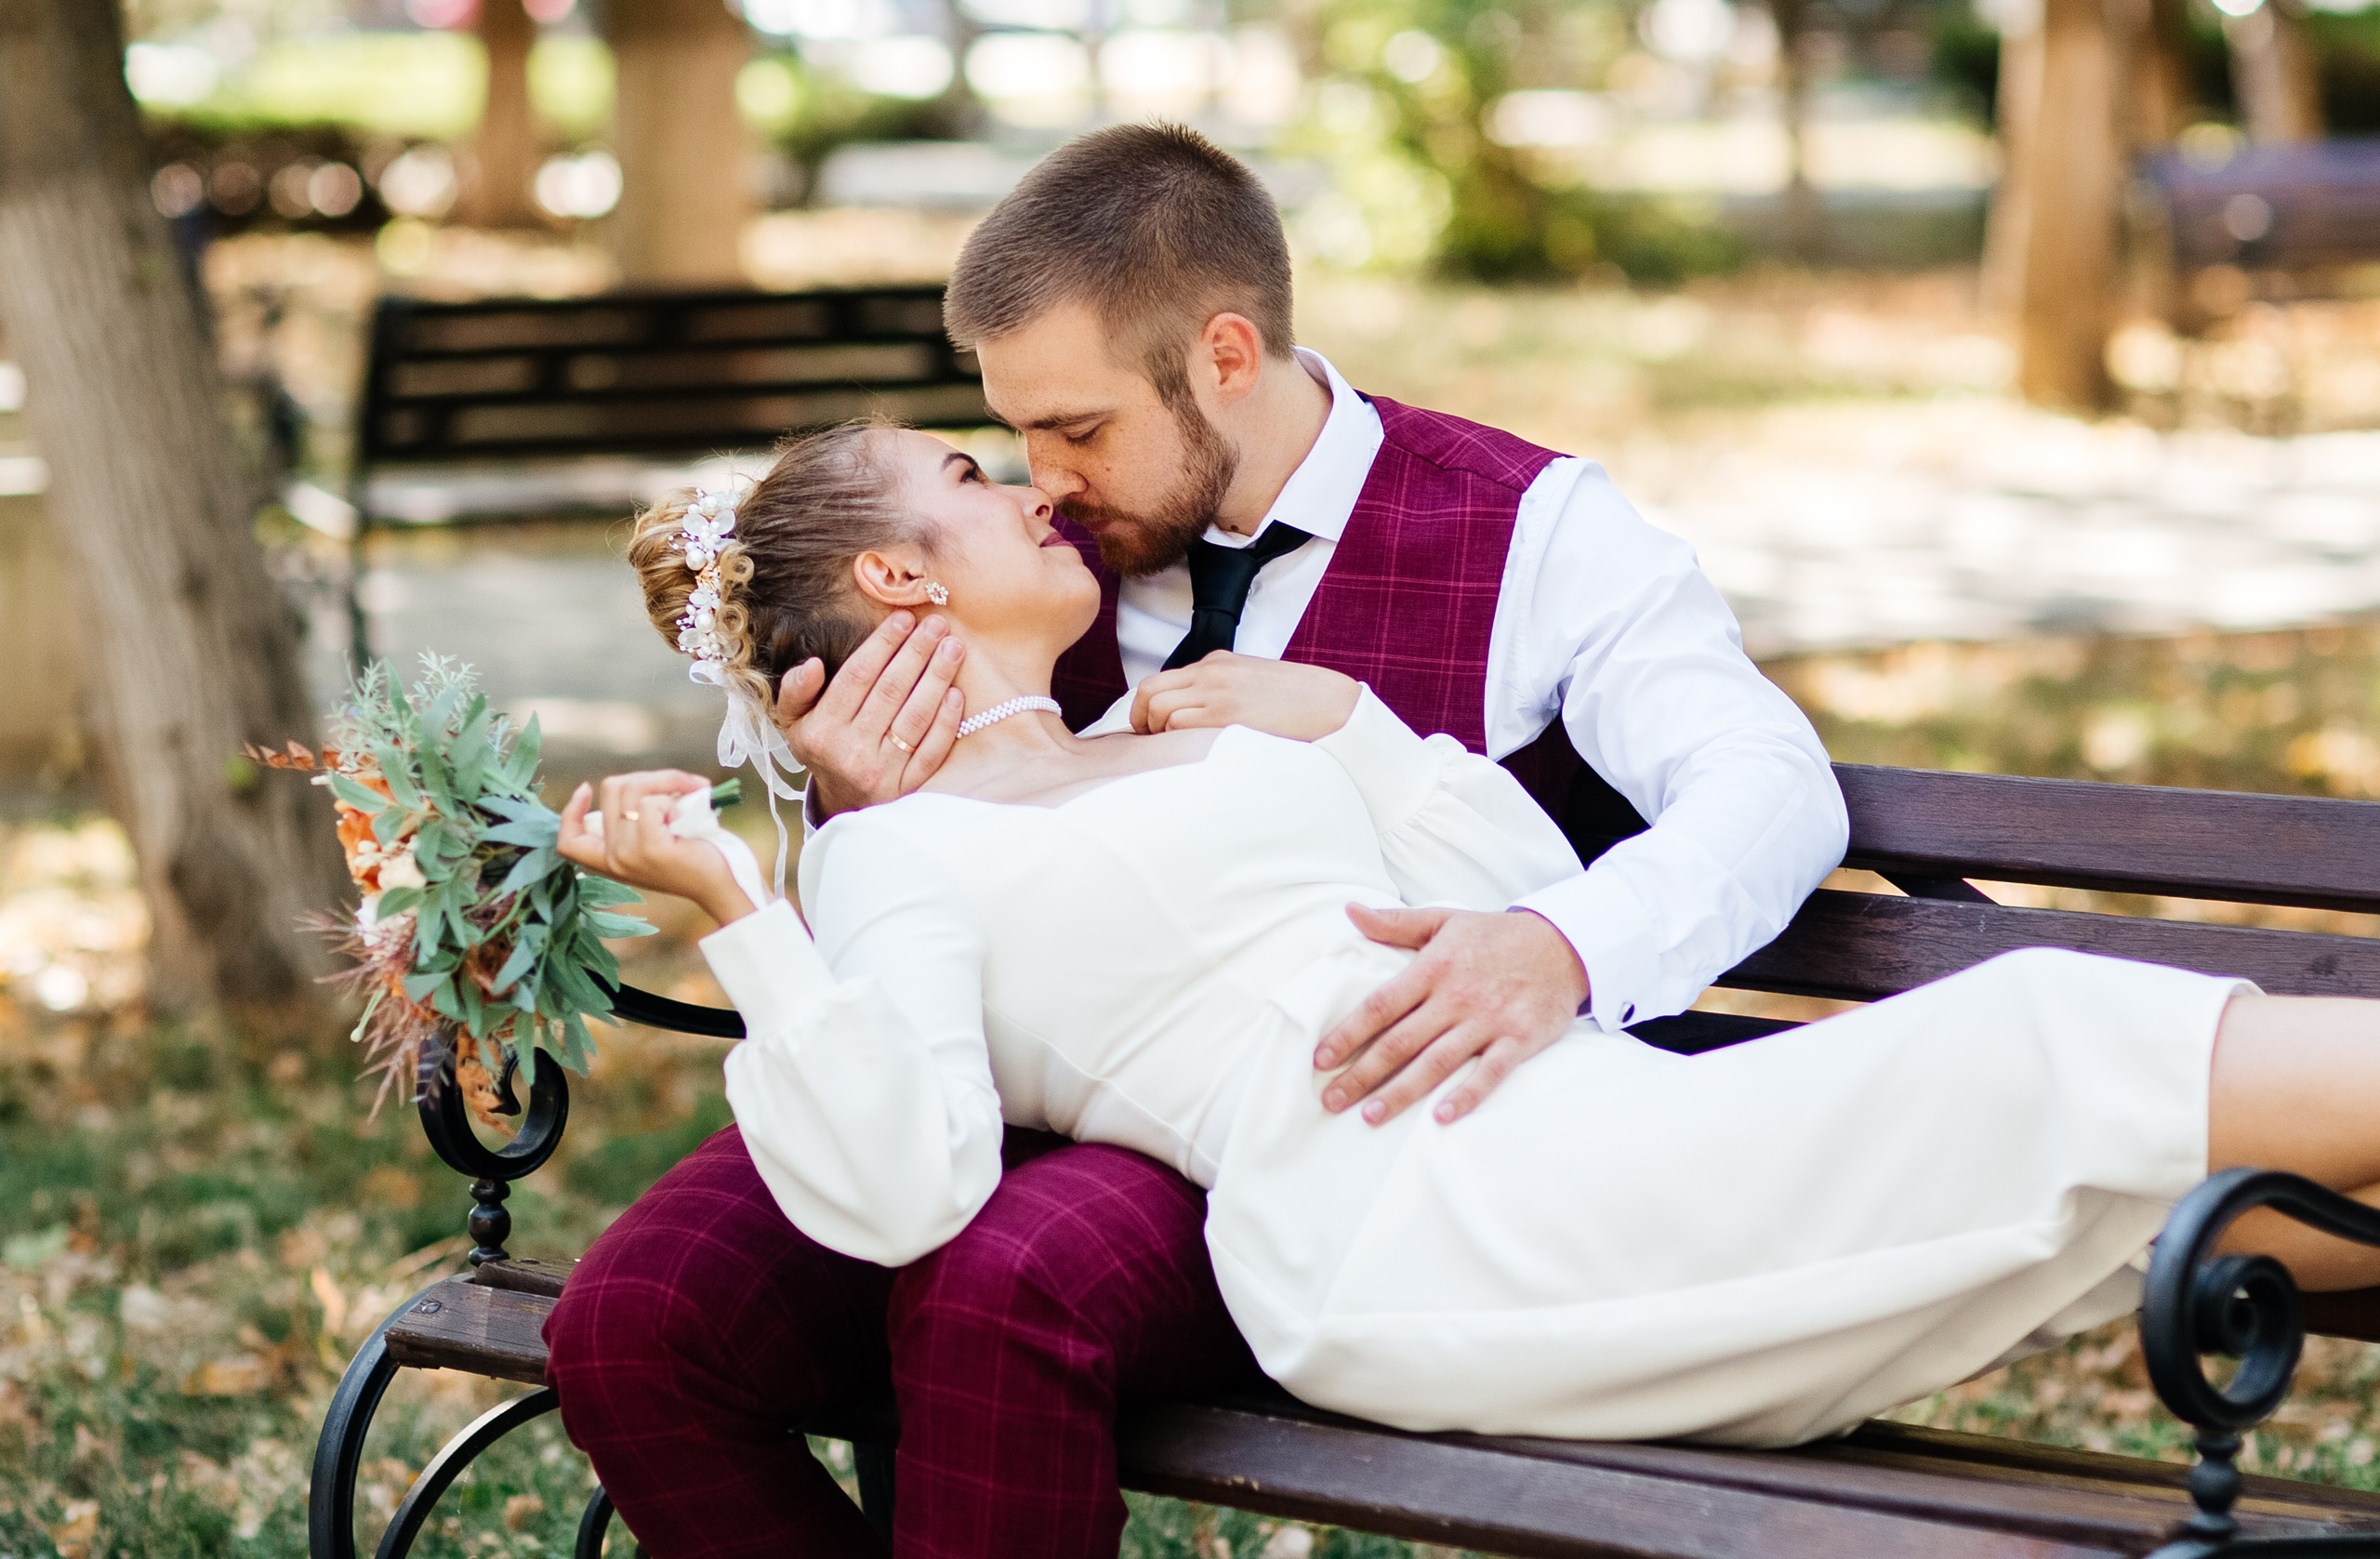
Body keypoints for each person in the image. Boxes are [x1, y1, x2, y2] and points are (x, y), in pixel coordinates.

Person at [554, 421, 2380, 1494]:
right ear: (897, 583)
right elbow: (900, 1184)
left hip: (1584, 1127)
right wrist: (760, 919)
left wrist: (1339, 721)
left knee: (2137, 1171)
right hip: (1417, 1229)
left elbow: (1504, 888)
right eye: (968, 472)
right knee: (2045, 1037)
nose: (1036, 480)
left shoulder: (1189, 722)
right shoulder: (900, 860)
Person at [542, 123, 1853, 1557]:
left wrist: (1559, 947)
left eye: (1080, 430)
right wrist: (859, 793)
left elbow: (1767, 784)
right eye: (1014, 437)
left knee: (997, 1284)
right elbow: (922, 887)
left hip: (1312, 1121)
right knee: (632, 1326)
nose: (1045, 481)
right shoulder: (1031, 572)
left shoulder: (1537, 532)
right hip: (966, 1082)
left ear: (1226, 356)